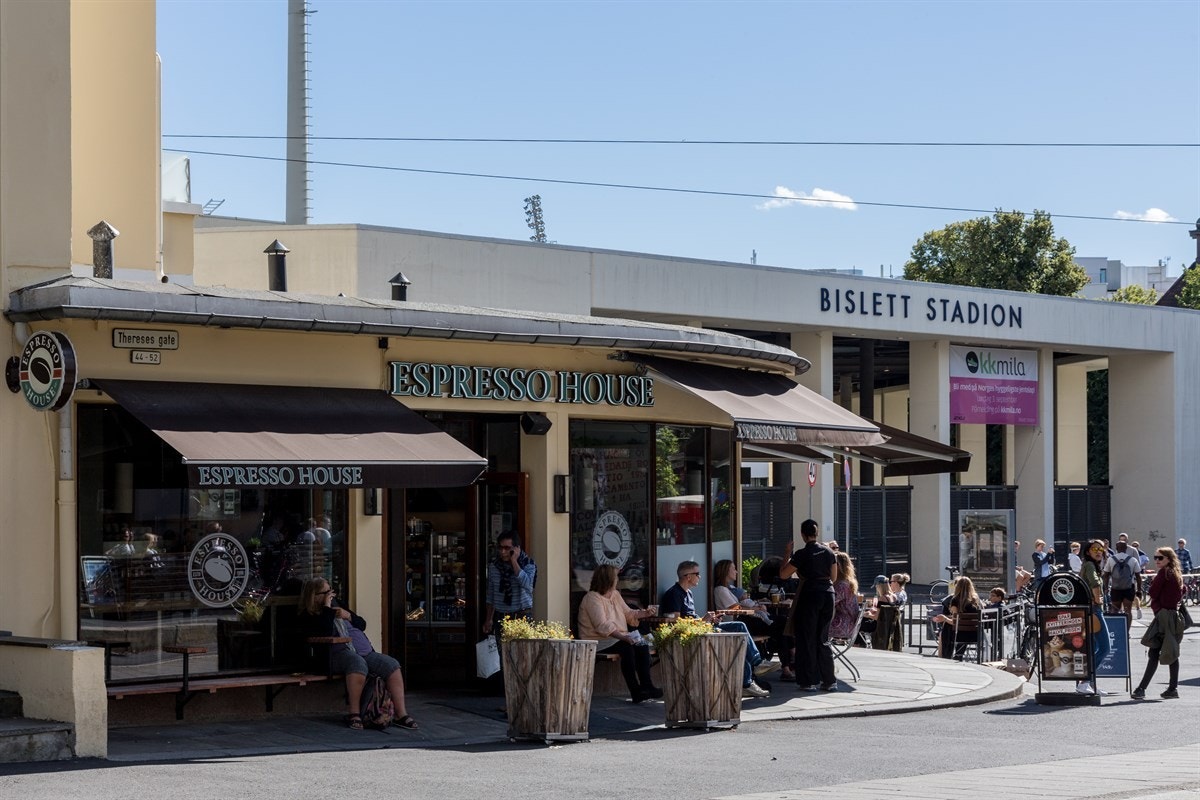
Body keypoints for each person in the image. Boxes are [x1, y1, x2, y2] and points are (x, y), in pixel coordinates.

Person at [297, 577, 417, 730]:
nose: (331, 595)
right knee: (357, 663)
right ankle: (355, 713)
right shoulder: (310, 614)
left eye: (331, 591)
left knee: (391, 665)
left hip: (363, 651)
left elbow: (362, 624)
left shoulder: (339, 605)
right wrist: (327, 609)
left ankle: (401, 714)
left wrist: (348, 616)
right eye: (326, 593)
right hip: (335, 655)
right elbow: (324, 631)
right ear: (314, 596)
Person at [659, 560, 772, 698]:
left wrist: (709, 619)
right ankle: (747, 683)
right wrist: (702, 620)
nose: (700, 577)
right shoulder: (674, 594)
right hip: (690, 634)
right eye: (697, 574)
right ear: (688, 576)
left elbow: (689, 617)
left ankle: (756, 664)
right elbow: (675, 622)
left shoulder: (687, 593)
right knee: (737, 639)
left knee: (740, 627)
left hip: (700, 628)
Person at [576, 564, 661, 703]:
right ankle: (635, 691)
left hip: (617, 637)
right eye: (615, 576)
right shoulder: (592, 598)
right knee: (626, 647)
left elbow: (628, 613)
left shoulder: (615, 594)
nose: (617, 579)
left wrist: (644, 613)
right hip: (598, 640)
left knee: (641, 644)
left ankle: (647, 686)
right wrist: (623, 637)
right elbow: (602, 625)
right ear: (608, 578)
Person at [780, 518, 838, 691]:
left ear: (803, 535)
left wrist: (786, 554)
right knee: (823, 638)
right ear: (817, 533)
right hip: (828, 594)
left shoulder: (801, 554)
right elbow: (833, 578)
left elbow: (783, 575)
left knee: (806, 639)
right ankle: (829, 680)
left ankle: (809, 681)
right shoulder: (829, 552)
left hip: (809, 595)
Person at [1131, 548, 1185, 700]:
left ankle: (1142, 689)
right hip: (1173, 615)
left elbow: (1153, 593)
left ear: (1168, 558)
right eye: (1155, 558)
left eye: (1160, 558)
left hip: (1163, 616)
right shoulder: (1176, 573)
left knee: (1156, 651)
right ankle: (1172, 688)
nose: (1157, 560)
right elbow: (1183, 591)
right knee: (1171, 650)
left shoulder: (1164, 573)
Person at [481, 532, 536, 635]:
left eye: (507, 548)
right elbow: (491, 595)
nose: (503, 552)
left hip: (521, 614)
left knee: (520, 650)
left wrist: (514, 561)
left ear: (516, 549)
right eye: (500, 548)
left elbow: (527, 585)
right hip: (500, 615)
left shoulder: (528, 564)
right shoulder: (494, 566)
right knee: (501, 650)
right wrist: (489, 619)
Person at [1076, 539, 1112, 695]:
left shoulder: (1090, 565)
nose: (1099, 551)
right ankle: (1084, 682)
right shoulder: (1090, 565)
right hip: (1093, 610)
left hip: (1088, 610)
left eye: (1101, 549)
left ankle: (1088, 684)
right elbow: (1095, 584)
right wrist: (1099, 599)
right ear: (1087, 551)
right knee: (1105, 648)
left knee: (1092, 648)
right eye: (1095, 548)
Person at [933, 575, 981, 660]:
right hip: (975, 635)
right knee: (955, 627)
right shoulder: (976, 599)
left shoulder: (955, 600)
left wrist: (944, 618)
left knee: (947, 627)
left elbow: (954, 622)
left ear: (957, 587)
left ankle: (946, 656)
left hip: (958, 635)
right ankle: (958, 655)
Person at [1102, 539, 1142, 626]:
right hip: (1129, 588)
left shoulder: (1111, 559)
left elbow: (1106, 575)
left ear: (1116, 548)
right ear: (1126, 548)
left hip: (1115, 588)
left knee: (1115, 610)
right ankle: (1126, 632)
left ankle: (1116, 630)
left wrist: (1105, 588)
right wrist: (1139, 590)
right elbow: (1138, 576)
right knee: (1128, 610)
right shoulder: (1133, 560)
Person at [829, 552, 860, 645]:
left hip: (841, 625)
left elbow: (829, 604)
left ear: (838, 566)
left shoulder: (841, 585)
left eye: (832, 563)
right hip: (850, 625)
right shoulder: (848, 582)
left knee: (811, 627)